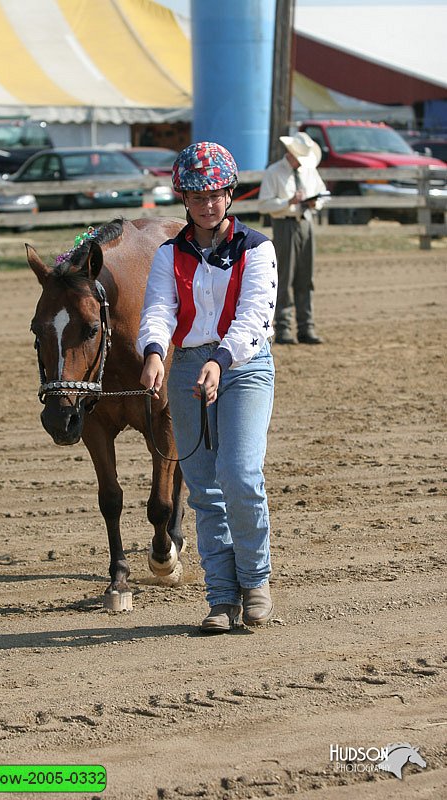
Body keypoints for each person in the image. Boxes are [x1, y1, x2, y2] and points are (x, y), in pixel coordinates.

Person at [137, 142, 278, 634]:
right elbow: (158, 308)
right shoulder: (169, 254)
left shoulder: (257, 248)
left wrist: (220, 361)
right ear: (184, 200)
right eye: (197, 196)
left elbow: (255, 316)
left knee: (239, 474)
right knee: (203, 490)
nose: (207, 204)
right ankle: (221, 598)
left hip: (243, 367)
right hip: (186, 370)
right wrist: (155, 351)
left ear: (229, 195)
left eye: (215, 194)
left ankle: (255, 583)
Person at [258, 131, 327, 345]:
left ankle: (306, 326)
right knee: (285, 276)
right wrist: (288, 202)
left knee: (306, 277)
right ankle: (284, 326)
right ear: (290, 154)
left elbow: (322, 193)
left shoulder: (308, 170)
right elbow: (264, 205)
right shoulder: (274, 172)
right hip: (284, 225)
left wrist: (316, 203)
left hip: (305, 223)